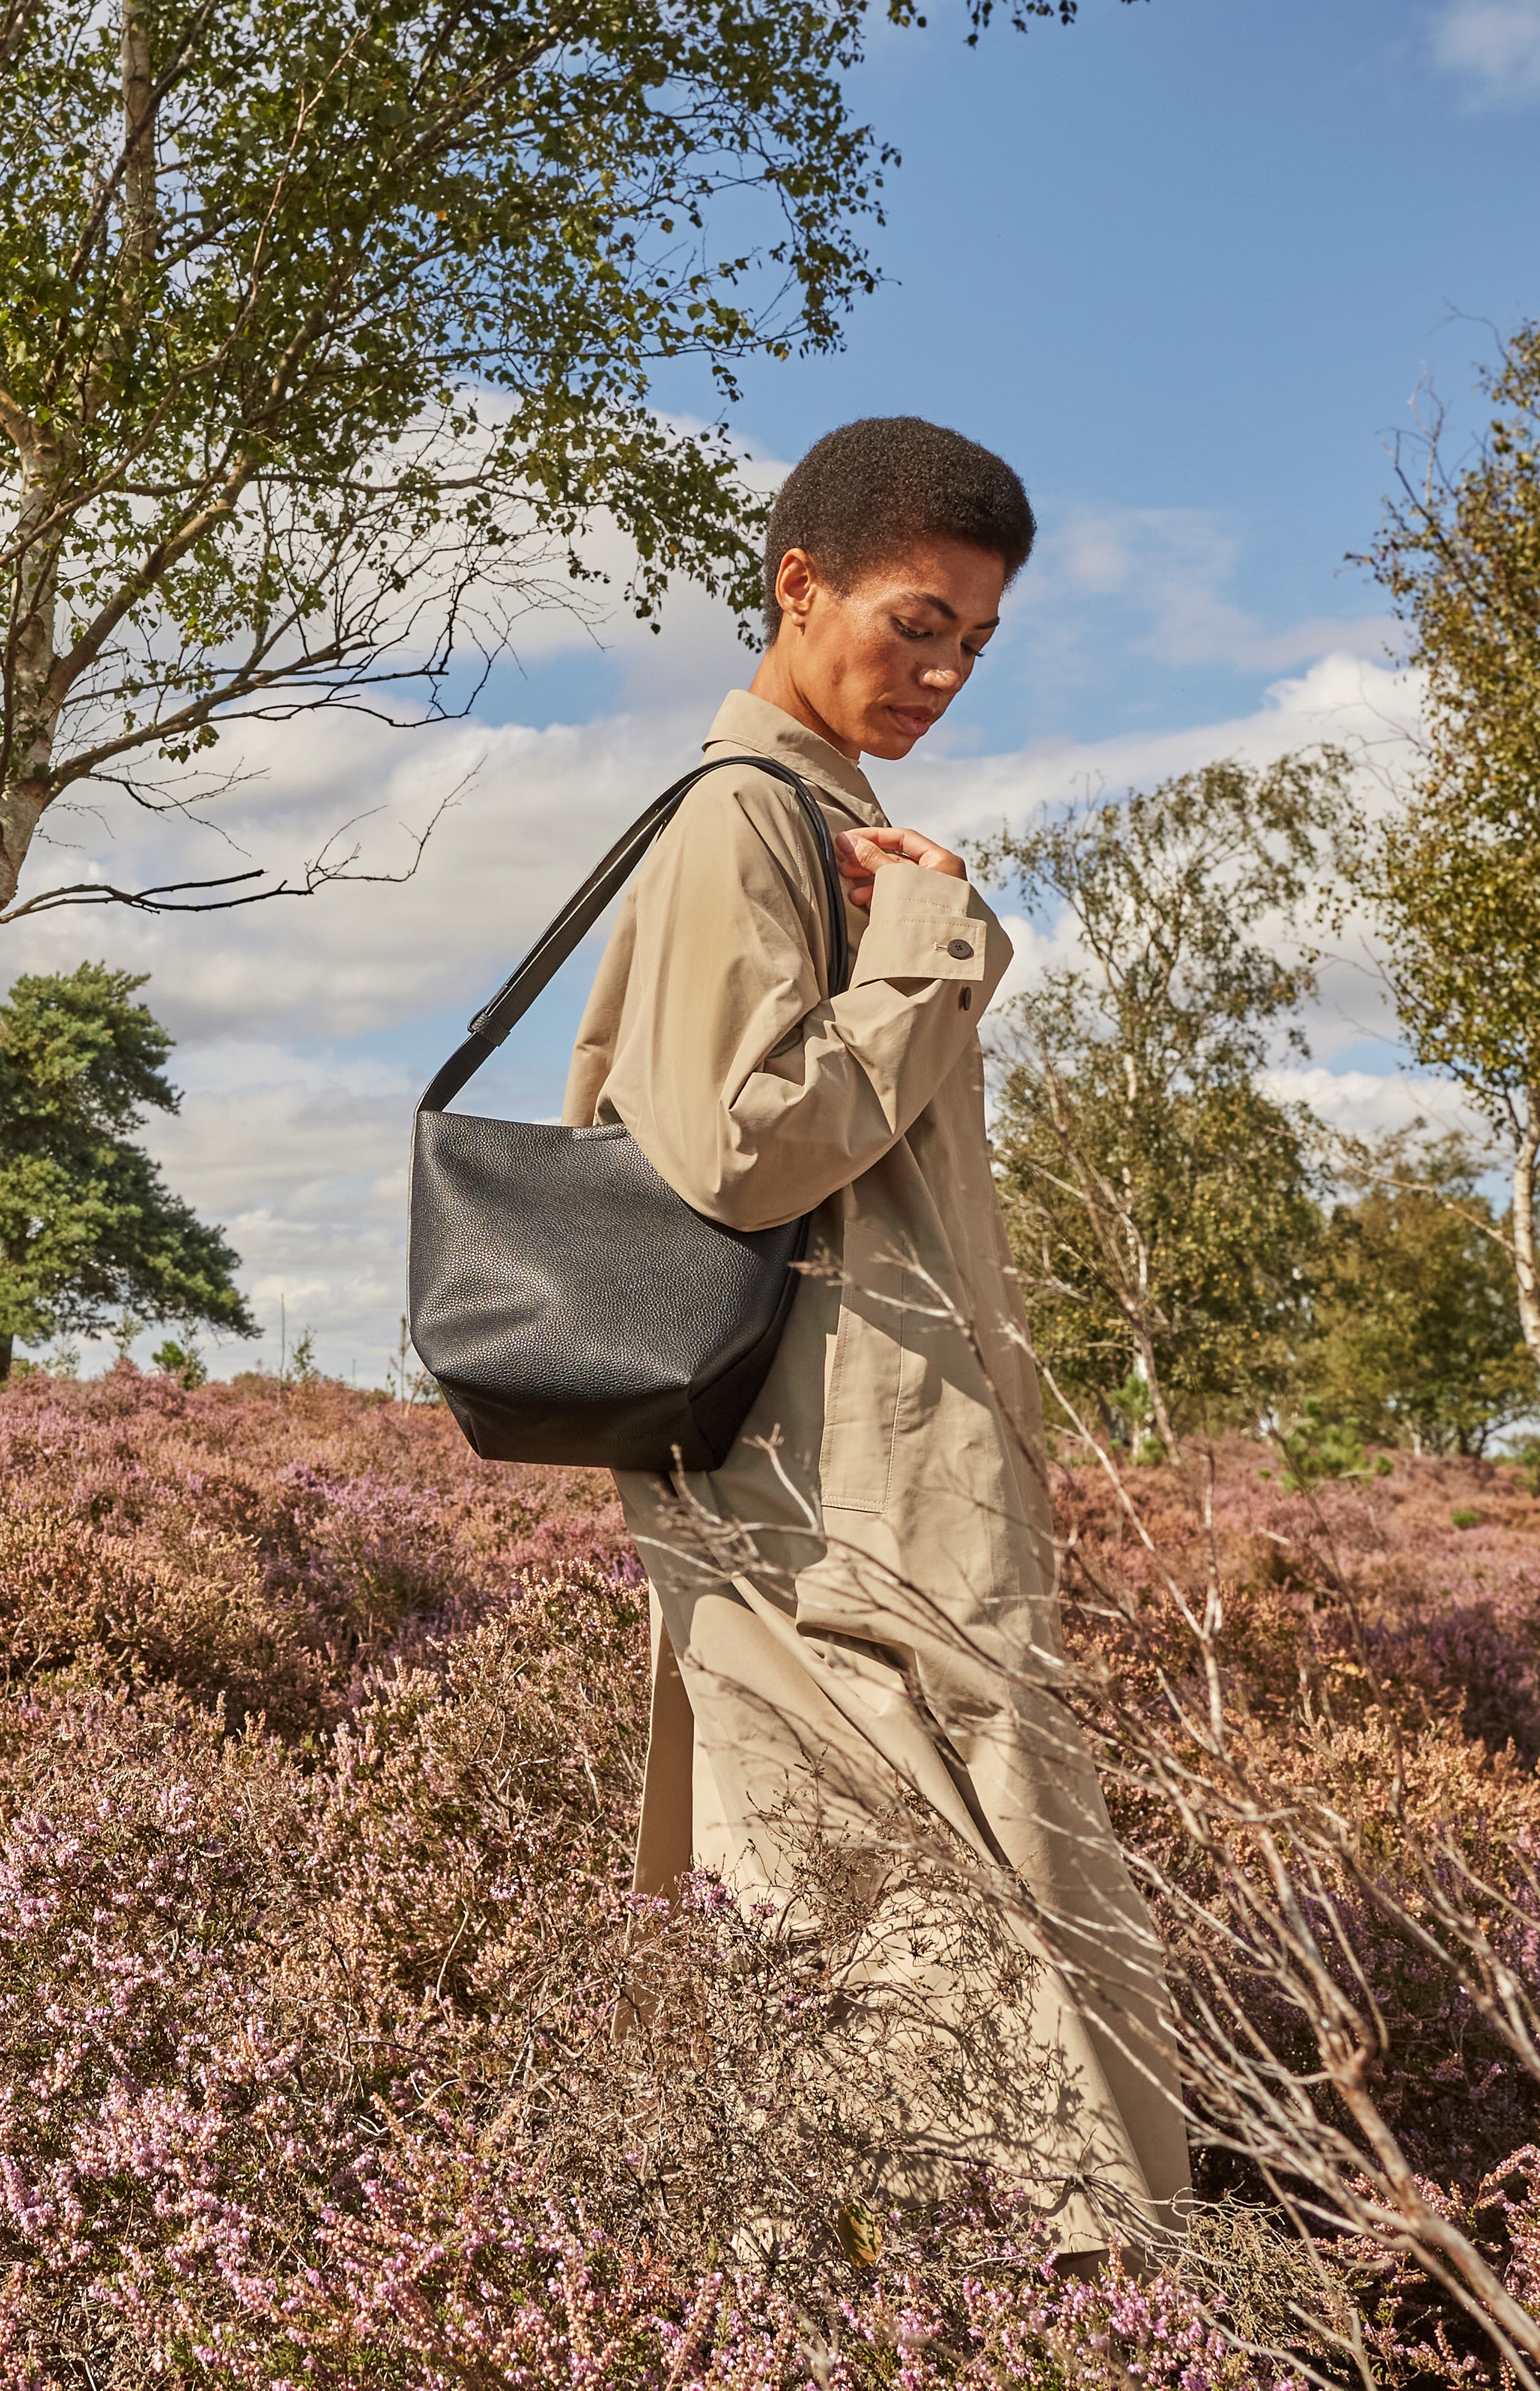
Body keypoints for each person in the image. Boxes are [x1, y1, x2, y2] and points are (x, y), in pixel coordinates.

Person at [562, 414, 1187, 2256]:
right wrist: (935, 941)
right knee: (894, 1908)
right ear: (800, 584)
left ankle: (970, 2305)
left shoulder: (829, 817)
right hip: (820, 1486)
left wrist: (921, 922)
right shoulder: (743, 819)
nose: (943, 670)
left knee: (915, 1892)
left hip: (871, 1455)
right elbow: (742, 1147)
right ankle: (969, 2302)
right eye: (917, 621)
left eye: (976, 644)